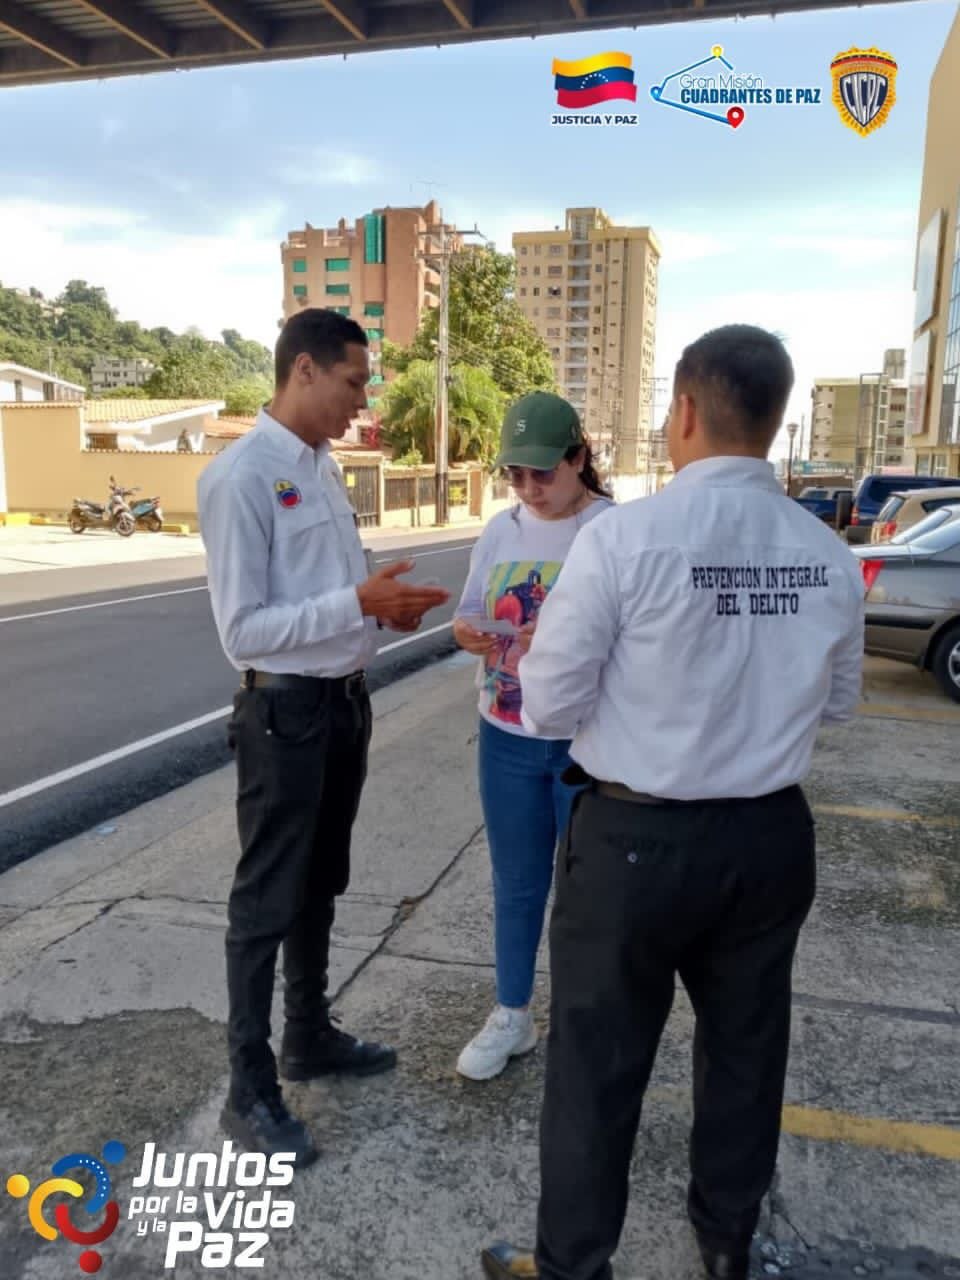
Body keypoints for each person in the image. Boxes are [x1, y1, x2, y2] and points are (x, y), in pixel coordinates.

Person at [482, 326, 864, 1280]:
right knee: (745, 1053)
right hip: (768, 839)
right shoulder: (826, 553)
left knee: (596, 1066)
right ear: (773, 419)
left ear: (686, 411)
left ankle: (575, 1263)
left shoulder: (622, 539)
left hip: (635, 842)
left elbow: (551, 703)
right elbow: (840, 703)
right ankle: (727, 1243)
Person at [198, 308, 449, 1169]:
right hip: (285, 717)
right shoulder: (241, 477)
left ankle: (307, 1035)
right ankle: (249, 1087)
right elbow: (244, 631)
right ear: (303, 370)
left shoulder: (321, 467)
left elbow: (330, 595)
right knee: (266, 899)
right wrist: (355, 604)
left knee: (321, 883)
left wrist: (382, 611)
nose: (361, 401)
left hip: (342, 706)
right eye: (353, 382)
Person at [452, 392, 613, 1081]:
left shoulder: (611, 531)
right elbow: (467, 613)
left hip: (589, 743)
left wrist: (565, 637)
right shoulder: (500, 531)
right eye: (514, 474)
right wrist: (471, 635)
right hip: (506, 735)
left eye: (542, 472)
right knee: (517, 884)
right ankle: (512, 1014)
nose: (528, 488)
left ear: (578, 458)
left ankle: (585, 1022)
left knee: (590, 894)